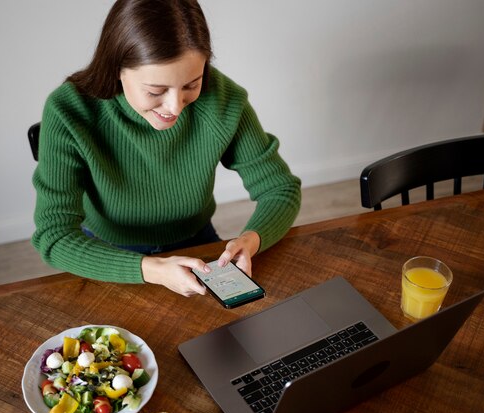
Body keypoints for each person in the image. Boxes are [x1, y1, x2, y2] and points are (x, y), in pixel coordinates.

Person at [32, 0, 301, 297]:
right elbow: (54, 236)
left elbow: (279, 189)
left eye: (191, 85)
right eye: (155, 91)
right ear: (117, 68)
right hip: (107, 252)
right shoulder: (69, 110)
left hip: (197, 241)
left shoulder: (224, 100)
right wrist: (152, 269)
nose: (175, 107)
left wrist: (252, 239)